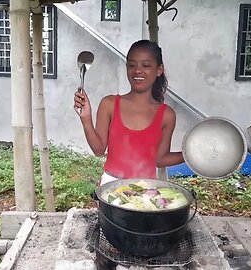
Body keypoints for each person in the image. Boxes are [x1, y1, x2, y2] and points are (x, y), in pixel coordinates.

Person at [73, 39, 184, 186]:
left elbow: (160, 159)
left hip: (147, 190)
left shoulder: (167, 115)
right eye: (132, 65)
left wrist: (191, 155)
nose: (137, 70)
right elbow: (99, 149)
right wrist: (86, 118)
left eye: (146, 65)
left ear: (159, 70)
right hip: (110, 187)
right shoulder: (109, 104)